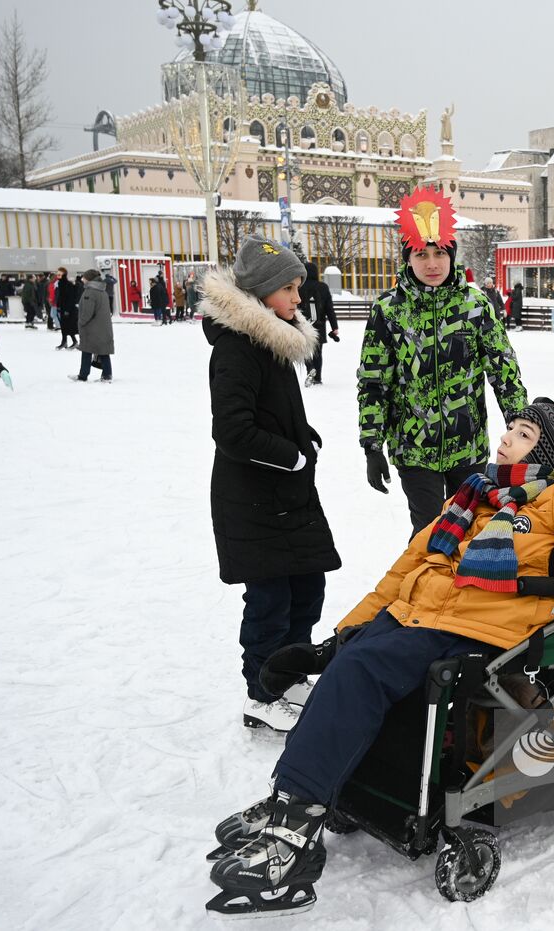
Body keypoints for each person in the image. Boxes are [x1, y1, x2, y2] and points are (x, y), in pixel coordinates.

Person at [206, 402, 554, 918]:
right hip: (417, 618)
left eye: (522, 435)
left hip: (480, 625)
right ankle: (295, 796)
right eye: (509, 430)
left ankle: (293, 830)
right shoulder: (473, 497)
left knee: (361, 671)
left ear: (546, 452)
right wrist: (333, 641)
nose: (504, 440)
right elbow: (401, 574)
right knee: (352, 659)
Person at [201, 235, 340, 733]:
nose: (298, 299)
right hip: (255, 500)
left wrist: (303, 436)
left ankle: (288, 675)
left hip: (286, 495)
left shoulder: (273, 339)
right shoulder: (238, 348)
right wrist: (292, 456)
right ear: (260, 294)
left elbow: (270, 412)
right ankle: (261, 695)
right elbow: (233, 430)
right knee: (269, 602)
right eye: (289, 288)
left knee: (307, 589)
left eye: (299, 287)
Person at [358, 187, 528, 535]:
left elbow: (503, 370)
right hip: (413, 449)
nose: (432, 263)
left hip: (467, 447)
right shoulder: (388, 310)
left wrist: (521, 426)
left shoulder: (475, 305)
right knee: (429, 532)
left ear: (451, 254)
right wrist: (371, 443)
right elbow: (374, 381)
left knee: (468, 531)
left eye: (439, 253)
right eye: (421, 254)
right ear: (408, 258)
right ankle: (424, 590)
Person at [70, 269, 114, 382]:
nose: (82, 279)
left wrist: (81, 322)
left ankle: (83, 375)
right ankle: (107, 375)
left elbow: (87, 312)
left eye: (84, 277)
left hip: (92, 328)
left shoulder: (90, 292)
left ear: (88, 279)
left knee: (87, 350)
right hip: (102, 327)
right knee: (103, 351)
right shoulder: (102, 291)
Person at [299, 261, 338, 387]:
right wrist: (334, 327)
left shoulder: (299, 287)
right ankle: (318, 378)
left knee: (304, 350)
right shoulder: (323, 287)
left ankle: (310, 368)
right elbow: (329, 309)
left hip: (303, 324)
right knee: (318, 352)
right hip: (319, 325)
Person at [54, 268, 79, 350]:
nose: (58, 276)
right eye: (57, 274)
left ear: (64, 275)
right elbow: (60, 297)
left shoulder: (67, 284)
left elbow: (70, 298)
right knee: (64, 326)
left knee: (69, 326)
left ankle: (74, 342)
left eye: (59, 274)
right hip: (62, 308)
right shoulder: (59, 284)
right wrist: (58, 305)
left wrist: (67, 310)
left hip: (68, 309)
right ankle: (64, 341)